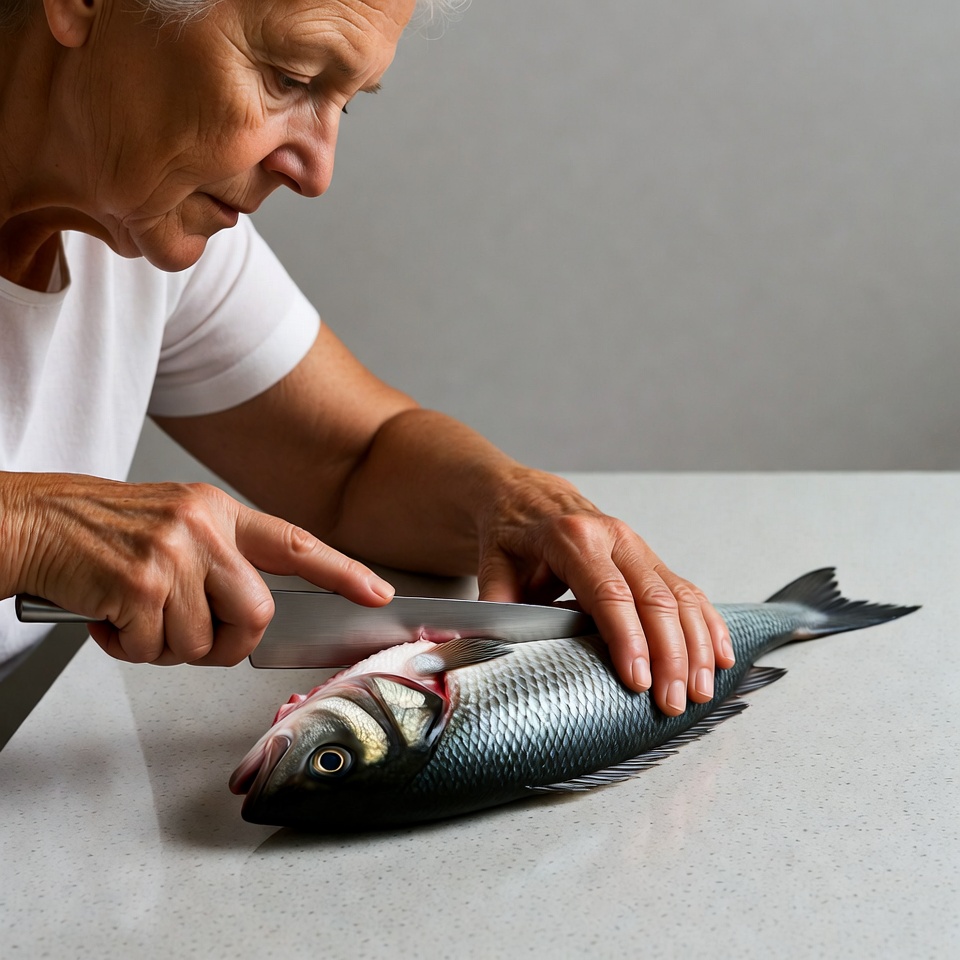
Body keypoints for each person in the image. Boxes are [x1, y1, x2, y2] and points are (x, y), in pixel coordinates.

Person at [0, 0, 734, 716]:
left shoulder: (141, 224)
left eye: (343, 104)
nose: (316, 172)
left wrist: (515, 507)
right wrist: (32, 525)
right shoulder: (142, 193)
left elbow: (353, 462)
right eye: (289, 77)